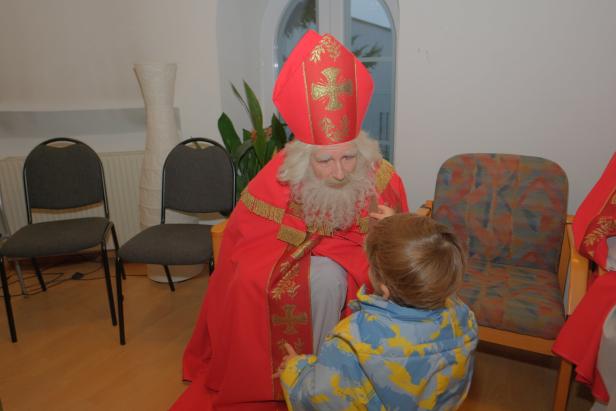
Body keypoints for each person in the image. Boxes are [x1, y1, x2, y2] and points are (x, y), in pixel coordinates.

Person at [172, 30, 409, 410]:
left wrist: (392, 225)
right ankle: (302, 380)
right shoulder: (281, 171)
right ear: (304, 159)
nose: (339, 171)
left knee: (337, 281)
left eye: (348, 158)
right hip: (293, 257)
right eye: (325, 161)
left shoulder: (381, 176)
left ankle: (333, 380)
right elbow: (247, 232)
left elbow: (402, 237)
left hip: (357, 261)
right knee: (254, 283)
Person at [278, 214, 478, 410]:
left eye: (371, 266)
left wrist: (296, 370)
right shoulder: (463, 317)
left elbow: (321, 399)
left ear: (384, 288)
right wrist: (393, 230)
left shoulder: (355, 339)